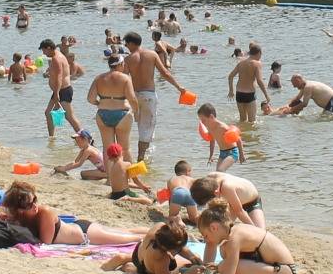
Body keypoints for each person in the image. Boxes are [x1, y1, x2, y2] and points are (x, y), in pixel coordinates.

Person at [192, 200, 297, 274]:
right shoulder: (234, 231)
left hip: (284, 273)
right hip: (280, 272)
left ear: (214, 227)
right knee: (225, 260)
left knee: (225, 267)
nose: (206, 240)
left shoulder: (234, 239)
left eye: (205, 236)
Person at [0, 181, 144, 245]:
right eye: (30, 204)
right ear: (19, 209)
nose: (35, 205)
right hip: (79, 229)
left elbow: (45, 242)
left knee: (131, 237)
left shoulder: (45, 213)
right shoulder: (20, 216)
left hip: (86, 234)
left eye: (35, 200)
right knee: (125, 232)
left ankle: (157, 233)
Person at [121, 29, 187, 163]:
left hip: (134, 96)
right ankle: (140, 159)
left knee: (141, 125)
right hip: (148, 95)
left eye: (126, 44)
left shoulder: (128, 59)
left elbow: (124, 79)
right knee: (147, 127)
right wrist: (179, 87)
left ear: (132, 43)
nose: (126, 47)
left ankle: (139, 157)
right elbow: (165, 73)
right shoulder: (151, 55)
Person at [99, 220, 211, 274]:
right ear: (169, 250)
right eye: (178, 249)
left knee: (142, 262)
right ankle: (132, 268)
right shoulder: (162, 259)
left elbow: (174, 243)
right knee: (182, 265)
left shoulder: (160, 228)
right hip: (147, 267)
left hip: (138, 253)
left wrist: (191, 255)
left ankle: (126, 259)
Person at [89, 53, 138, 154]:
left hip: (103, 114)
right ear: (120, 64)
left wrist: (99, 103)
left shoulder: (99, 78)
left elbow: (90, 98)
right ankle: (125, 169)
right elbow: (132, 98)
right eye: (123, 63)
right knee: (124, 149)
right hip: (122, 114)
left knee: (108, 149)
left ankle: (109, 170)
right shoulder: (125, 78)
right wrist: (136, 111)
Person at [189, 173, 266, 230]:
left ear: (216, 192)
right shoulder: (210, 177)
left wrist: (254, 230)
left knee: (261, 231)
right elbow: (197, 185)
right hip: (233, 204)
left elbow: (239, 212)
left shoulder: (227, 187)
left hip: (252, 202)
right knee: (221, 228)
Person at [42, 39, 83, 137]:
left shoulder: (57, 58)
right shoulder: (58, 55)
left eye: (43, 50)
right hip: (60, 90)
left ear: (48, 48)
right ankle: (51, 138)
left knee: (69, 117)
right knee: (48, 113)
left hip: (62, 90)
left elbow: (59, 76)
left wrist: (56, 94)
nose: (43, 53)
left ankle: (85, 137)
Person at [225, 43, 268, 125]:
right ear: (259, 53)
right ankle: (250, 137)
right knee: (252, 121)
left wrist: (231, 91)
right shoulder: (257, 63)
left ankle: (241, 136)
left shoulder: (241, 63)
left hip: (239, 93)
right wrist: (266, 95)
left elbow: (230, 76)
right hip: (250, 94)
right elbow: (259, 81)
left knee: (242, 120)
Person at [196, 104, 244, 171]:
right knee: (218, 173)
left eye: (203, 120)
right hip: (222, 153)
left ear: (211, 117)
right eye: (201, 120)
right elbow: (212, 141)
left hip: (232, 152)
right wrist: (211, 156)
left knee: (221, 170)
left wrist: (241, 155)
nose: (202, 123)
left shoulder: (222, 127)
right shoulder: (210, 128)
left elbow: (238, 139)